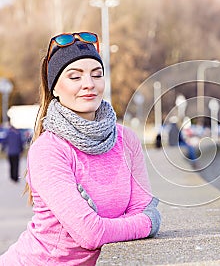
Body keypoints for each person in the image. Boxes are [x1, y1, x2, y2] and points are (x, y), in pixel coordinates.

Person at [0, 32, 161, 265]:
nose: (89, 84)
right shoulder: (48, 150)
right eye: (75, 77)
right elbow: (90, 234)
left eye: (97, 75)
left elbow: (141, 208)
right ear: (54, 88)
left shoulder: (127, 140)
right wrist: (148, 223)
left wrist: (115, 223)